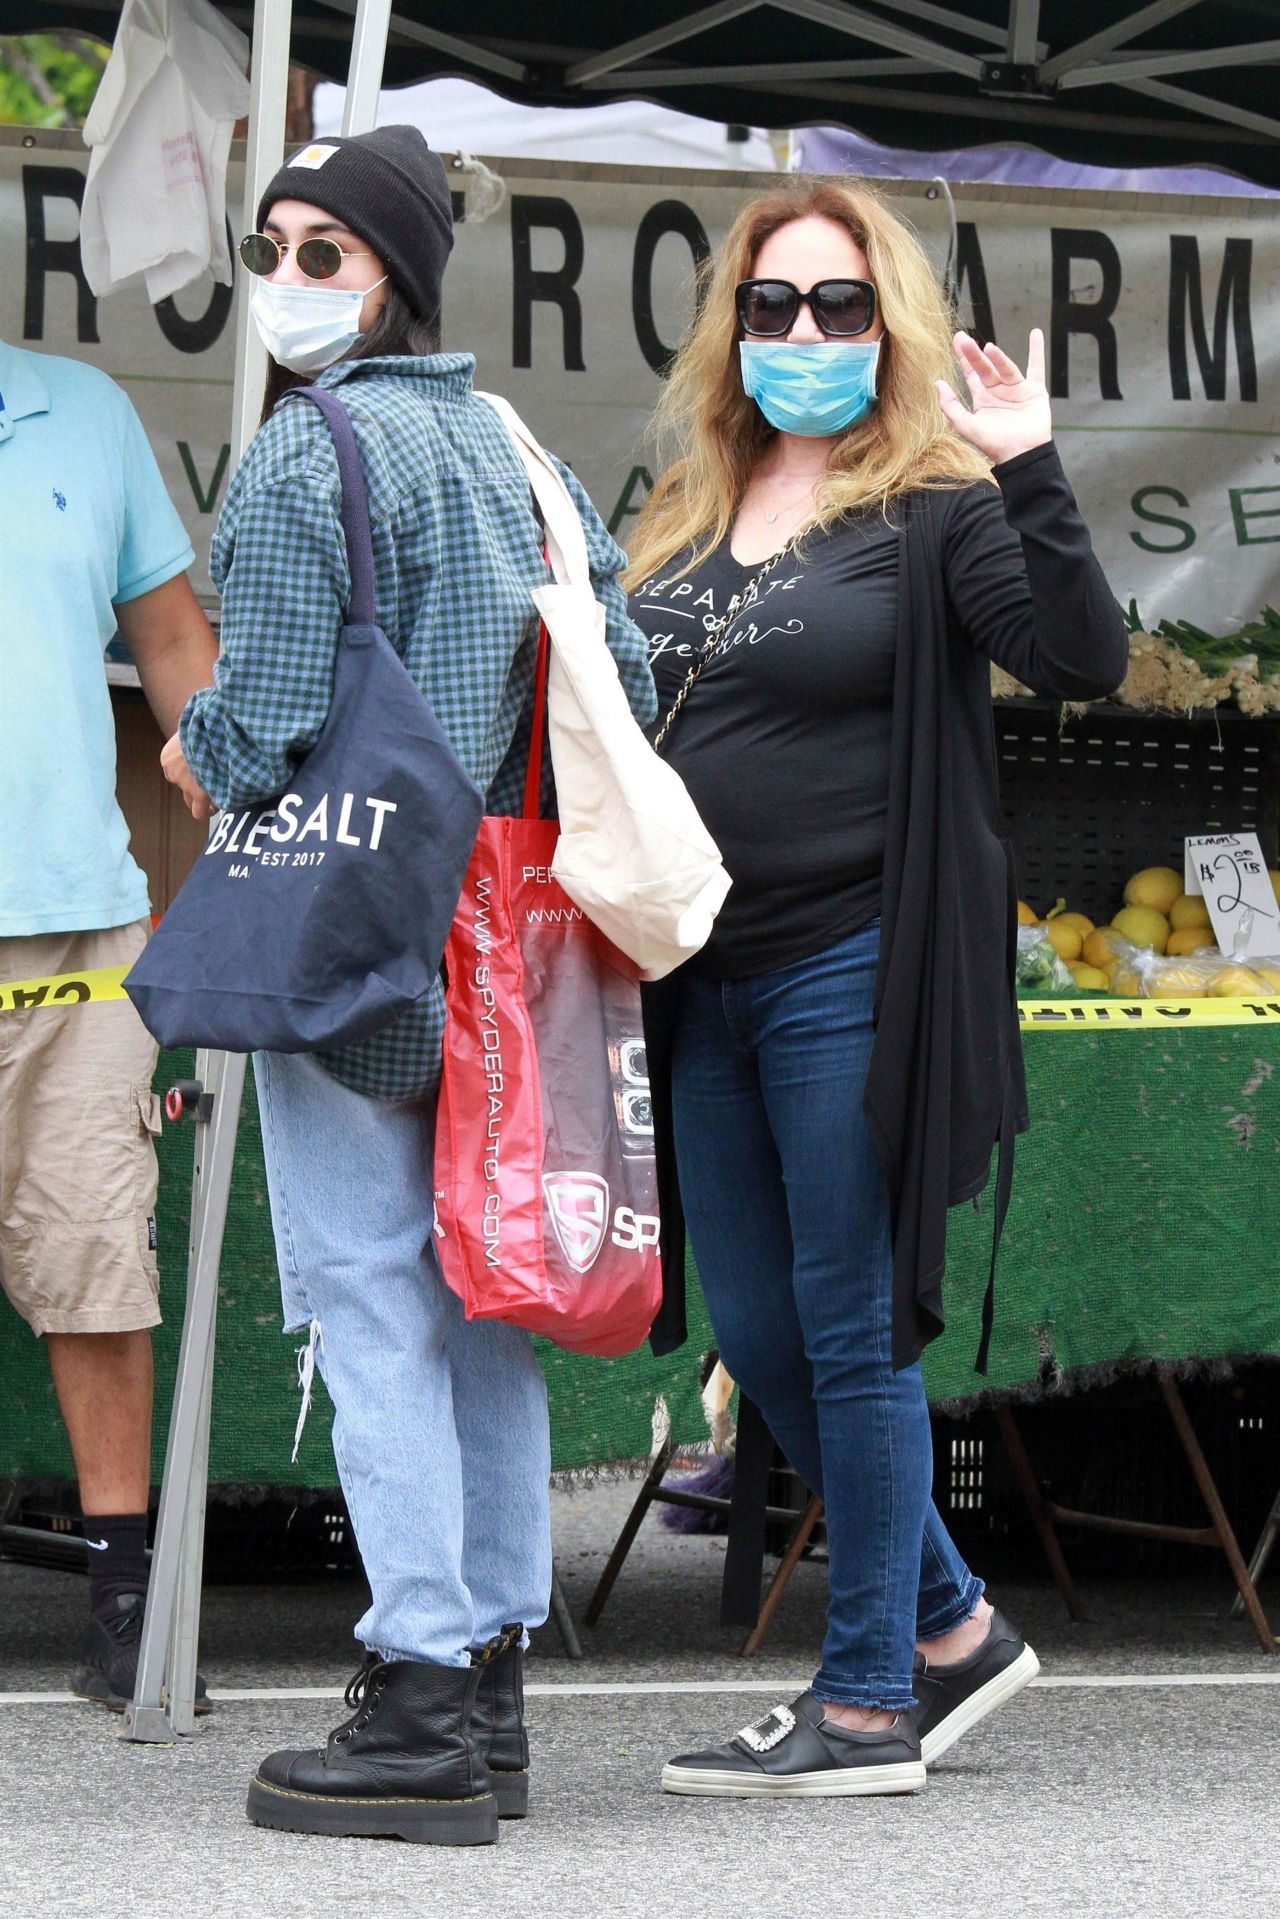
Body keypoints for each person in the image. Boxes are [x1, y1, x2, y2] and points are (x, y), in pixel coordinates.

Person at [160, 126, 656, 1846]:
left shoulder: (304, 463)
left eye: (325, 253)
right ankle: (493, 1683)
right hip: (512, 943)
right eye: (273, 248)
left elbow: (265, 728)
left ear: (393, 275)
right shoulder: (523, 455)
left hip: (353, 938)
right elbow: (630, 675)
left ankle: (420, 1690)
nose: (288, 282)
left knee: (369, 1297)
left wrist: (187, 744)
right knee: (484, 1303)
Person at [626, 177, 1127, 1797]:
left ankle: (863, 1704)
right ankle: (955, 1630)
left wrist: (1031, 461)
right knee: (759, 1331)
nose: (806, 334)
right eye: (775, 306)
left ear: (890, 324)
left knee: (848, 1333)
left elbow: (1080, 660)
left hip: (852, 963)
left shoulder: (936, 505)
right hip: (700, 974)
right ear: (735, 328)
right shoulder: (687, 504)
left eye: (842, 306)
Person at [0, 339, 217, 1708]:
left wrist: (265, 843)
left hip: (78, 928)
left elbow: (176, 643)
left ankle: (127, 1600)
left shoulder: (79, 407)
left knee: (95, 1264)